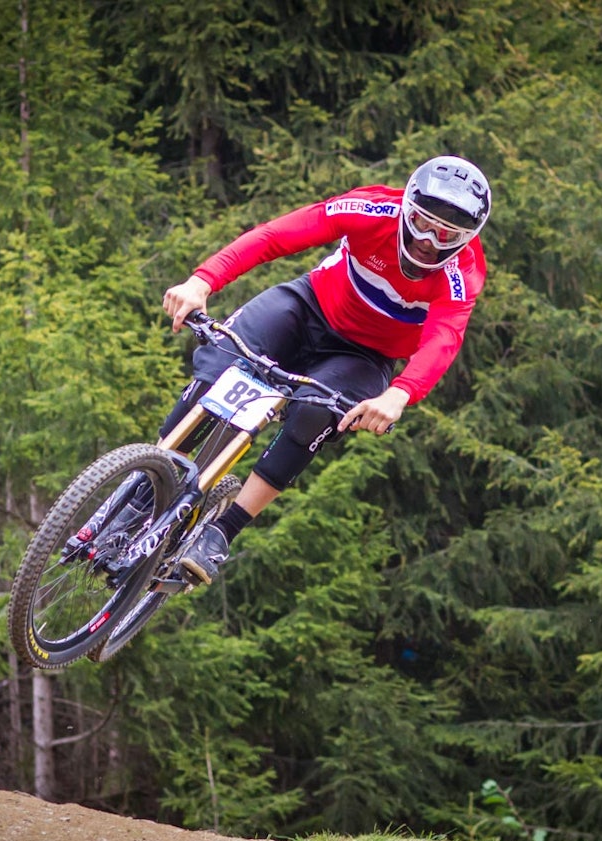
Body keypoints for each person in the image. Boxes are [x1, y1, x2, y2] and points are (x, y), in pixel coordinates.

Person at [158, 155, 492, 583]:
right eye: (422, 222)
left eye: (447, 233)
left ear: (466, 238)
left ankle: (222, 532)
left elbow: (444, 338)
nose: (429, 239)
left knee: (315, 415)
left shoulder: (459, 275)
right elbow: (275, 236)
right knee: (220, 362)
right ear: (406, 206)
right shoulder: (371, 210)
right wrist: (202, 281)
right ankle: (148, 482)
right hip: (308, 307)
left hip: (364, 357)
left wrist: (399, 394)